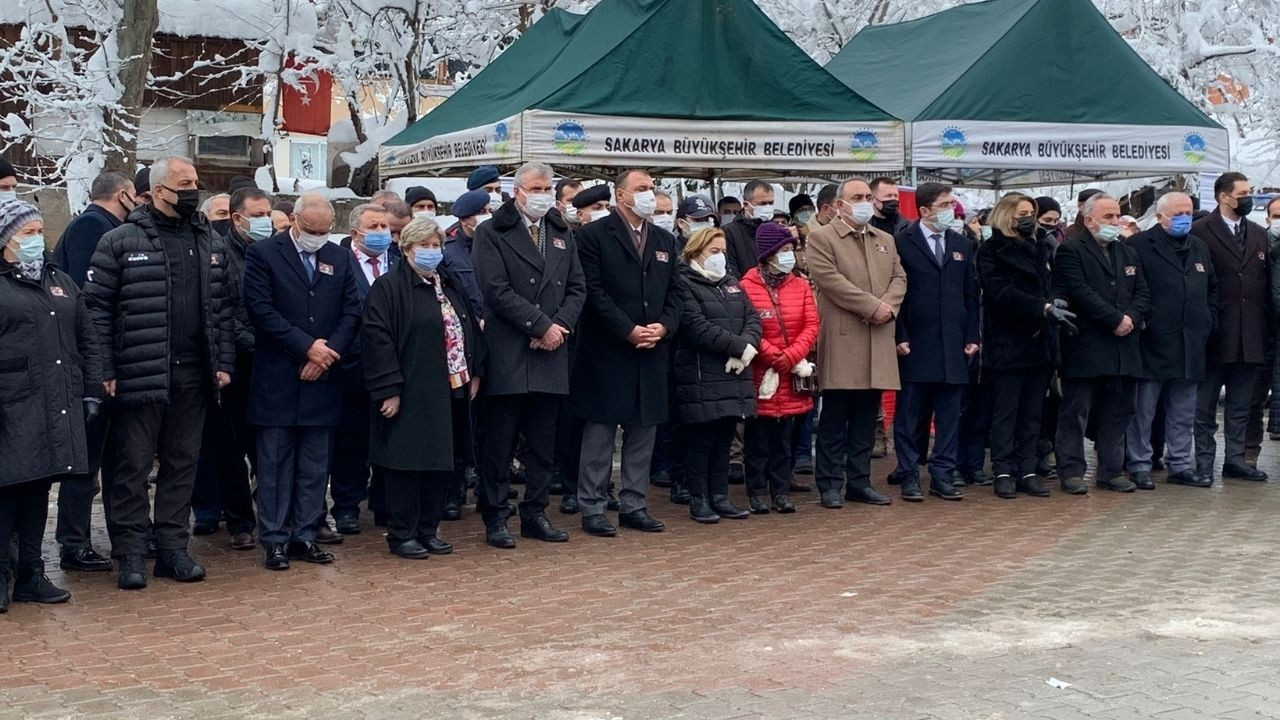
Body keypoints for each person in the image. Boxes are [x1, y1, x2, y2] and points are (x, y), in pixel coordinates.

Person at [84, 155, 236, 590]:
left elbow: (224, 309)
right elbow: (95, 311)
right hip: (138, 373)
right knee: (131, 468)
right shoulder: (119, 240)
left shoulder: (209, 241)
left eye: (195, 182)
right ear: (158, 191)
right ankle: (131, 554)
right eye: (184, 183)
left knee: (181, 464)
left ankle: (173, 549)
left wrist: (223, 363)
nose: (193, 190)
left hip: (195, 375)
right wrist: (104, 369)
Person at [242, 193, 362, 571]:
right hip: (278, 374)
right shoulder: (264, 254)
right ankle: (275, 539)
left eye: (324, 231)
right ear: (294, 220)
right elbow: (260, 310)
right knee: (275, 463)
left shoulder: (339, 257)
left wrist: (327, 354)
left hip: (323, 377)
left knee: (315, 463)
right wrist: (306, 347)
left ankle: (305, 535)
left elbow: (352, 310)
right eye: (311, 230)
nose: (317, 236)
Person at [472, 161, 585, 547]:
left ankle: (535, 512)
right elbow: (495, 289)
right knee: (500, 442)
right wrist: (539, 325)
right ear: (516, 190)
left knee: (543, 443)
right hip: (510, 349)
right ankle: (496, 515)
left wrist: (559, 327)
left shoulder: (560, 231)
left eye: (547, 188)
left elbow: (576, 287)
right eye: (535, 188)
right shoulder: (492, 232)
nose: (542, 195)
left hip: (552, 351)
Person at [0, 198, 102, 611]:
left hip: (55, 401)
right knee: (7, 490)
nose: (37, 240)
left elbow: (86, 335)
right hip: (11, 403)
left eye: (40, 232)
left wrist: (91, 388)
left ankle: (31, 574)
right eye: (27, 233)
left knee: (40, 488)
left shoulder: (57, 279)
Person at [362, 217, 484, 558]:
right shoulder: (389, 288)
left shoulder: (447, 285)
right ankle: (402, 533)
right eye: (424, 246)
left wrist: (475, 372)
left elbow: (468, 329)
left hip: (451, 389)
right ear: (406, 249)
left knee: (440, 462)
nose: (432, 252)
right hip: (411, 389)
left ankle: (428, 529)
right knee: (407, 464)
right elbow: (377, 339)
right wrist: (389, 388)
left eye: (436, 246)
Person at [570, 168, 682, 537]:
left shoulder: (665, 240)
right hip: (608, 350)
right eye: (642, 189)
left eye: (652, 188)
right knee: (601, 432)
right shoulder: (593, 237)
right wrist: (627, 330)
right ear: (621, 196)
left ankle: (635, 503)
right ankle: (593, 506)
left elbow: (676, 293)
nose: (650, 194)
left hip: (651, 349)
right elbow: (593, 292)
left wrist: (663, 326)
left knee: (644, 430)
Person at [50, 170, 135, 573]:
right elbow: (90, 305)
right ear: (123, 194)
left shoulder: (105, 227)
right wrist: (100, 366)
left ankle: (122, 535)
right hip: (94, 367)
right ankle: (73, 542)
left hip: (109, 363)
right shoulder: (92, 227)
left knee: (116, 457)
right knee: (85, 461)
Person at [806, 178, 906, 509]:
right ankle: (830, 483)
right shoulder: (821, 238)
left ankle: (859, 481)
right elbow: (830, 281)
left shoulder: (885, 239)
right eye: (857, 197)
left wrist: (887, 307)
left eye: (867, 196)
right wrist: (871, 307)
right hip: (843, 337)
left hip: (877, 338)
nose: (865, 202)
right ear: (839, 204)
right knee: (835, 417)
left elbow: (899, 277)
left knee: (867, 417)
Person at [976, 192, 1073, 498]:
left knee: (1034, 411)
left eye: (1031, 212)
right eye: (1022, 213)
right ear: (1007, 216)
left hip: (1040, 342)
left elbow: (1055, 280)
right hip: (1008, 341)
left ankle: (1028, 469)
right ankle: (1003, 470)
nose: (1029, 217)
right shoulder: (992, 250)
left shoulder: (1043, 245)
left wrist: (1056, 298)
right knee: (1007, 411)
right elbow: (1000, 292)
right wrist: (1041, 307)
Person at [190, 187, 272, 550]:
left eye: (268, 213)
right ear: (238, 219)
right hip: (233, 367)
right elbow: (220, 312)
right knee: (229, 450)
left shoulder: (273, 253)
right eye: (258, 215)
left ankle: (273, 517)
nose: (265, 222)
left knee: (269, 449)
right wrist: (259, 342)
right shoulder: (217, 254)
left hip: (269, 367)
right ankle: (240, 521)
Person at [1053, 193, 1149, 494]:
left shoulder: (1128, 251)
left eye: (1117, 216)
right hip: (1087, 345)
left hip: (1124, 347)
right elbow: (1081, 292)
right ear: (1089, 219)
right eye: (1108, 217)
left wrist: (1130, 317)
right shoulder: (1071, 250)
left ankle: (1111, 470)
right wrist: (1114, 319)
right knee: (1076, 412)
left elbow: (1143, 292)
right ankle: (1071, 471)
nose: (1114, 222)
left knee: (1118, 412)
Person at [891, 183, 980, 502]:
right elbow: (896, 295)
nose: (950, 210)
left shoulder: (961, 244)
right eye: (944, 205)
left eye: (951, 204)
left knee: (949, 414)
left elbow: (970, 294)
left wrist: (972, 335)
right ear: (925, 210)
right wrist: (899, 335)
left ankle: (942, 473)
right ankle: (909, 473)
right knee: (910, 415)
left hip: (954, 343)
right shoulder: (902, 242)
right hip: (916, 341)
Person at [1123, 191, 1216, 489]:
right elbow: (1133, 289)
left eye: (1188, 212)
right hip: (1153, 340)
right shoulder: (1138, 245)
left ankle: (1179, 464)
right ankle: (1139, 463)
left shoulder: (1199, 247)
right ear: (1160, 216)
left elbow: (1211, 288)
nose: (1184, 219)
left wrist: (1208, 319)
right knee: (1144, 410)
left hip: (1190, 340)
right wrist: (1145, 321)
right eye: (1177, 214)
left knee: (1183, 410)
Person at [672, 227, 760, 523]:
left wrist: (746, 346)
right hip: (701, 373)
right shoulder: (684, 282)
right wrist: (738, 346)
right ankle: (699, 497)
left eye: (723, 251)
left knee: (725, 438)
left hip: (733, 373)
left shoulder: (731, 282)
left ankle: (720, 495)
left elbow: (752, 318)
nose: (720, 257)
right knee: (702, 439)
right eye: (714, 251)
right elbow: (695, 325)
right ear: (696, 252)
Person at [1194, 172, 1269, 483]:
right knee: (1205, 407)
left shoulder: (1258, 233)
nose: (1248, 198)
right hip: (1215, 332)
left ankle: (1236, 460)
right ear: (1223, 196)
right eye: (1243, 193)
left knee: (1241, 404)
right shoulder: (1200, 231)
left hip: (1250, 332)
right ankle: (1203, 462)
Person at [328, 203, 398, 535]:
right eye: (374, 226)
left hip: (394, 368)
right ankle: (346, 506)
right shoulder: (340, 263)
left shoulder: (399, 262)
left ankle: (384, 501)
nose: (382, 231)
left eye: (385, 225)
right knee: (352, 442)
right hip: (353, 367)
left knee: (390, 437)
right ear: (355, 233)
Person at [739, 221, 818, 514]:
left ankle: (781, 491)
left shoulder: (800, 285)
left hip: (792, 372)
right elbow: (748, 328)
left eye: (792, 250)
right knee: (757, 440)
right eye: (784, 250)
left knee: (785, 440)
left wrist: (791, 356)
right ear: (769, 253)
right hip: (760, 376)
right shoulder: (746, 285)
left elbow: (812, 325)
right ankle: (757, 491)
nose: (790, 256)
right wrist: (775, 356)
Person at [723, 180, 775, 277]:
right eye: (762, 204)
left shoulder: (776, 231)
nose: (768, 207)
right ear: (746, 205)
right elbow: (731, 270)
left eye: (771, 203)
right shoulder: (729, 232)